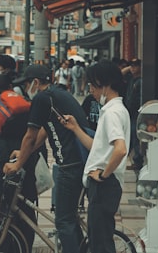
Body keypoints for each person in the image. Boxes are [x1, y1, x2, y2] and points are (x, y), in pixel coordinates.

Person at [2, 64, 90, 253]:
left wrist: (18, 165)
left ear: (35, 82)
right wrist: (24, 152)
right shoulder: (57, 94)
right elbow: (45, 130)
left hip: (70, 165)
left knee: (63, 221)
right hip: (76, 162)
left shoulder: (42, 98)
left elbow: (30, 135)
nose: (26, 89)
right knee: (69, 218)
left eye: (27, 84)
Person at [61, 61, 130, 253]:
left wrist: (103, 175)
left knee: (100, 243)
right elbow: (98, 148)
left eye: (92, 84)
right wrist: (75, 128)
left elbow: (120, 149)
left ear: (104, 84)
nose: (89, 89)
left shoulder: (112, 113)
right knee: (100, 239)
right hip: (105, 185)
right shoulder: (114, 110)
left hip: (104, 185)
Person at [124, 59, 144, 173]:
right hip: (130, 113)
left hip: (136, 114)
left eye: (135, 66)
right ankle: (134, 159)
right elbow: (119, 74)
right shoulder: (131, 80)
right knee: (131, 136)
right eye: (131, 66)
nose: (132, 68)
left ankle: (137, 161)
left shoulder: (141, 81)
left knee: (135, 137)